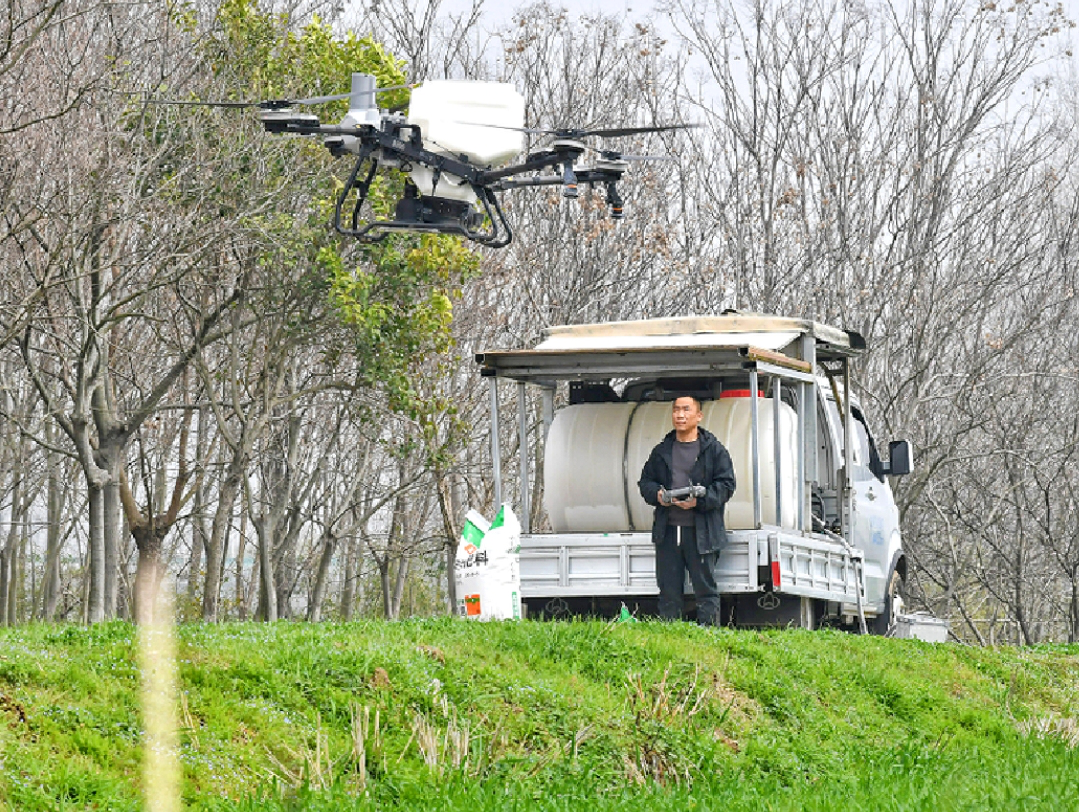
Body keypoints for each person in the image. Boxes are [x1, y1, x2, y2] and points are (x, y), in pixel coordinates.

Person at [638, 395, 736, 625]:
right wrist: (659, 496)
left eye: (686, 410)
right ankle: (671, 641)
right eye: (676, 410)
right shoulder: (662, 450)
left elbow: (727, 485)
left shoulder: (714, 450)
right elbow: (645, 483)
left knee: (706, 591)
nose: (680, 415)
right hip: (668, 532)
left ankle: (709, 638)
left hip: (702, 533)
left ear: (698, 416)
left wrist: (699, 501)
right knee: (668, 591)